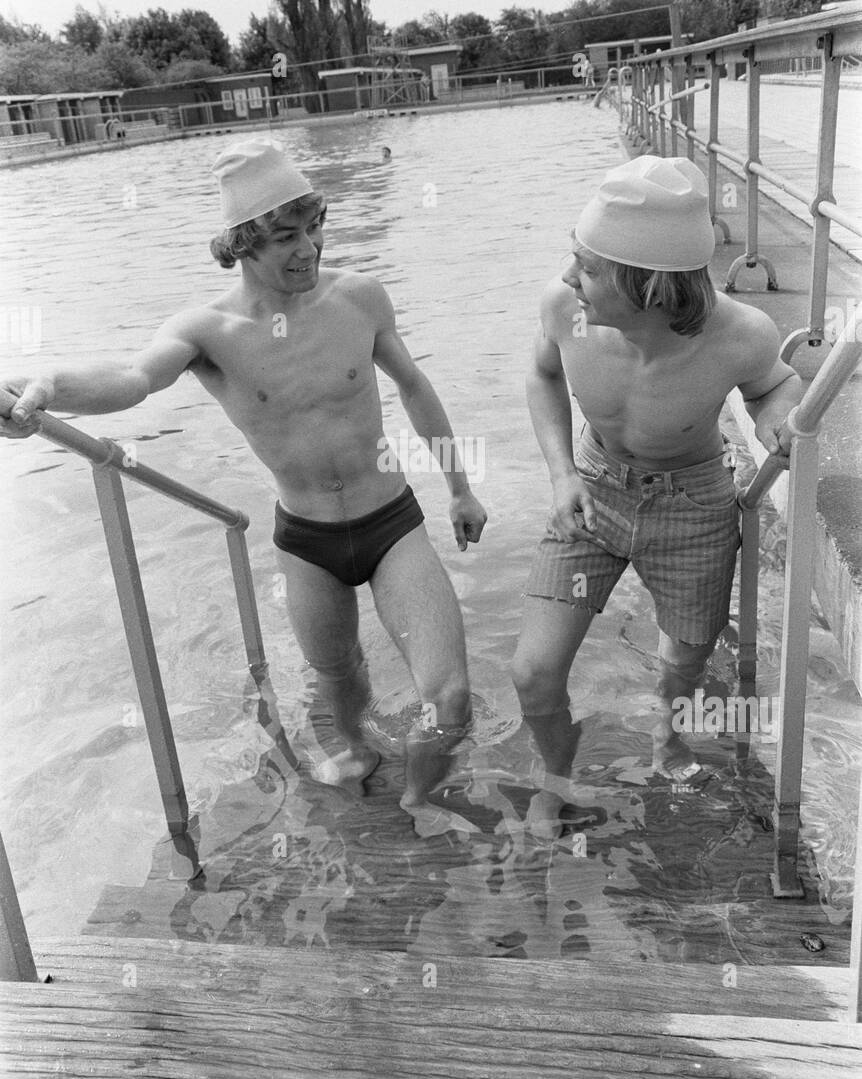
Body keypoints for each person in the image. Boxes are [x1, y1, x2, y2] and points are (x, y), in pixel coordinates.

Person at [1, 137, 487, 817]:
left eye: (314, 227)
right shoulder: (210, 331)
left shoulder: (360, 299)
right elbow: (133, 378)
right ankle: (361, 771)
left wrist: (459, 486)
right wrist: (49, 384)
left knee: (451, 698)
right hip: (307, 544)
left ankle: (417, 807)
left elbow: (414, 386)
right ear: (240, 246)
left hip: (392, 525)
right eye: (285, 237)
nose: (308, 249)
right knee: (340, 681)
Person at [511, 154, 802, 837]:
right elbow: (540, 374)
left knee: (684, 658)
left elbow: (774, 387)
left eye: (585, 266)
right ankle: (556, 778)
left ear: (645, 285)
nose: (565, 277)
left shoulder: (739, 334)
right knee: (532, 671)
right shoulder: (565, 311)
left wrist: (775, 427)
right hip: (592, 493)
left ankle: (669, 747)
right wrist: (560, 474)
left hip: (694, 507)